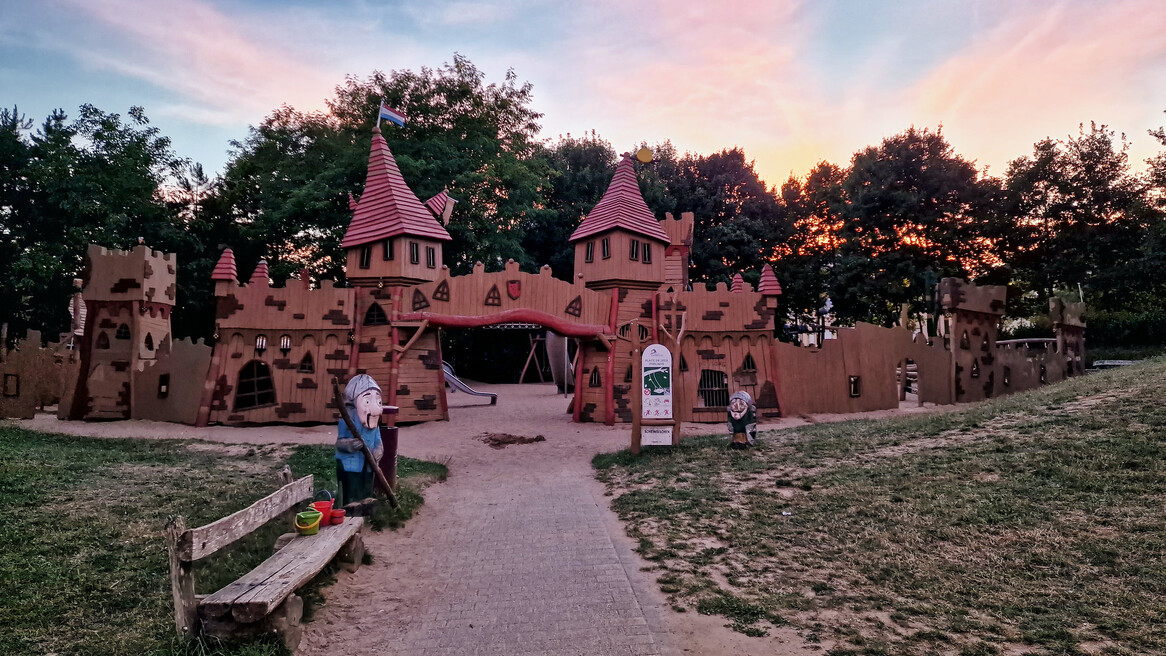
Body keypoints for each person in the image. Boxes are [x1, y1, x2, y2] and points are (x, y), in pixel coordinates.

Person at [335, 374, 385, 506]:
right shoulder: (347, 419)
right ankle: (351, 508)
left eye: (379, 402)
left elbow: (378, 439)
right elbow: (340, 443)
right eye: (367, 401)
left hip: (369, 464)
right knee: (352, 488)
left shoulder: (374, 423)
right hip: (350, 464)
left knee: (367, 488)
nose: (376, 408)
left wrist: (379, 450)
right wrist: (350, 445)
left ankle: (366, 506)